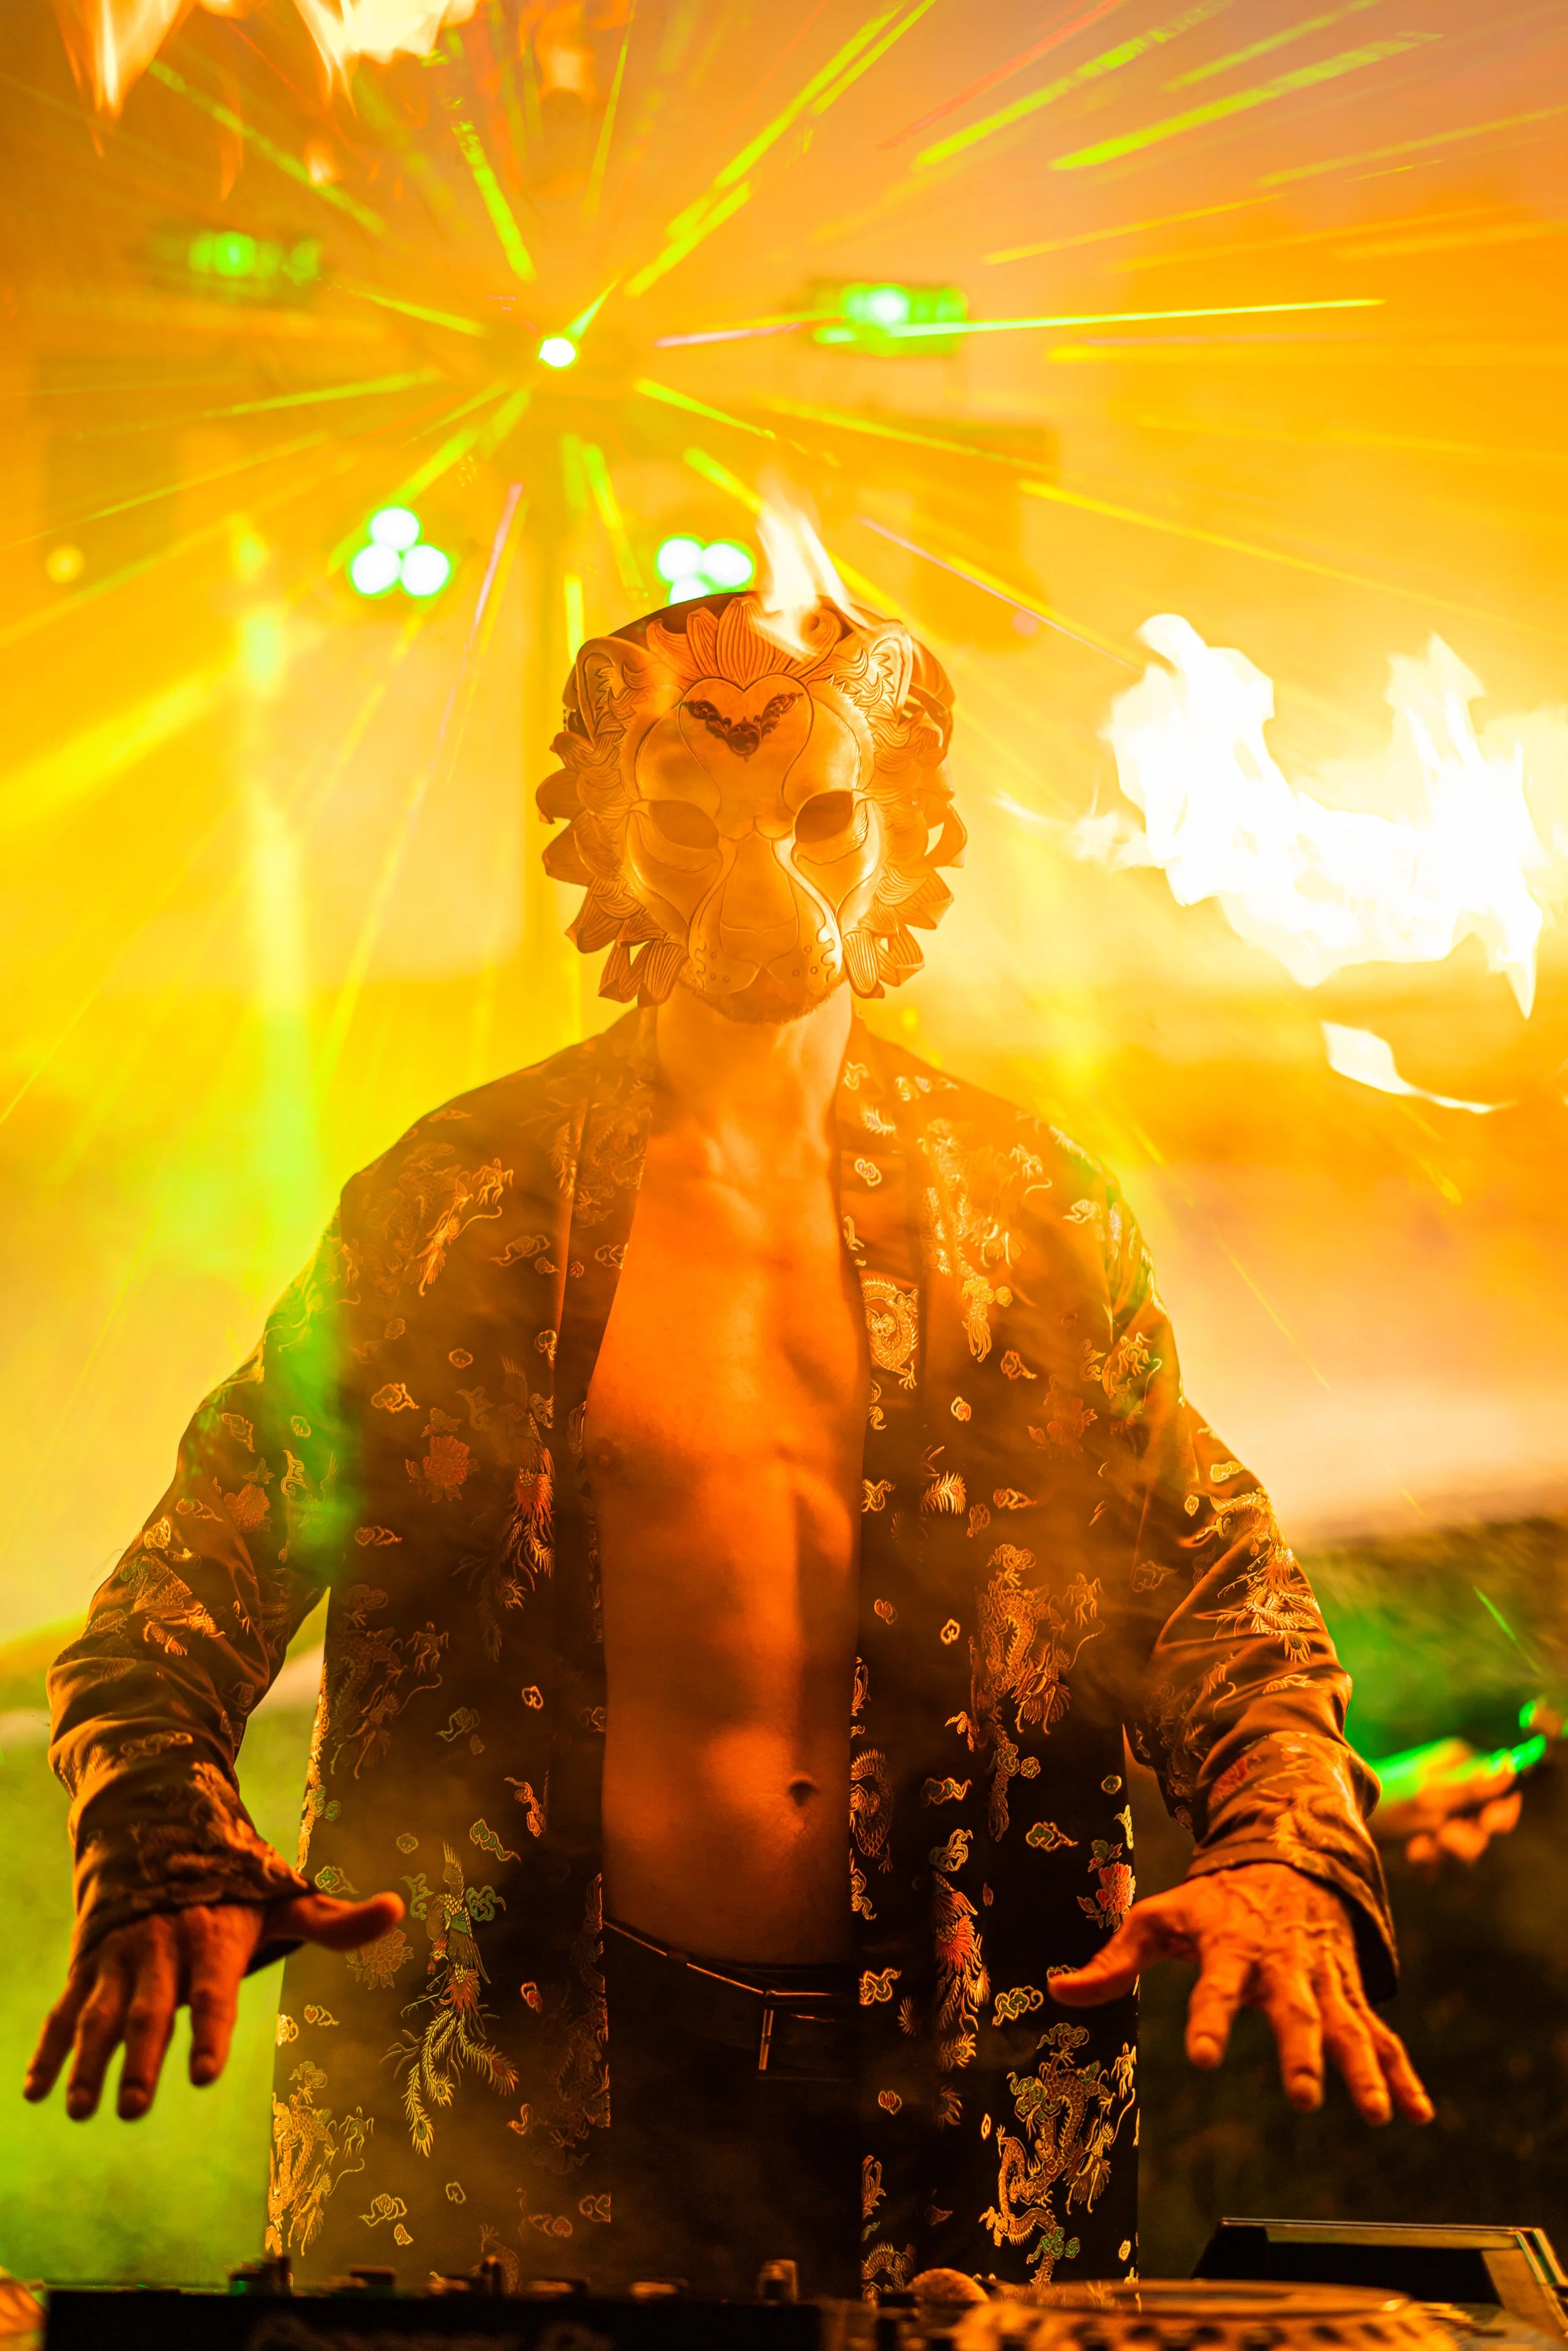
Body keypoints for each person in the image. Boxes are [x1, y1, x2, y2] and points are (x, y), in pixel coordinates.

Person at [27, 583, 1430, 2299]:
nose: (761, 872)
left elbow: (1213, 1590)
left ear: (904, 832)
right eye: (690, 816)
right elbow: (185, 1591)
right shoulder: (459, 1207)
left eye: (819, 813)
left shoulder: (1027, 1216)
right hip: (510, 2106)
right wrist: (163, 1829)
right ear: (609, 844)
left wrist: (1286, 1844)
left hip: (945, 2109)